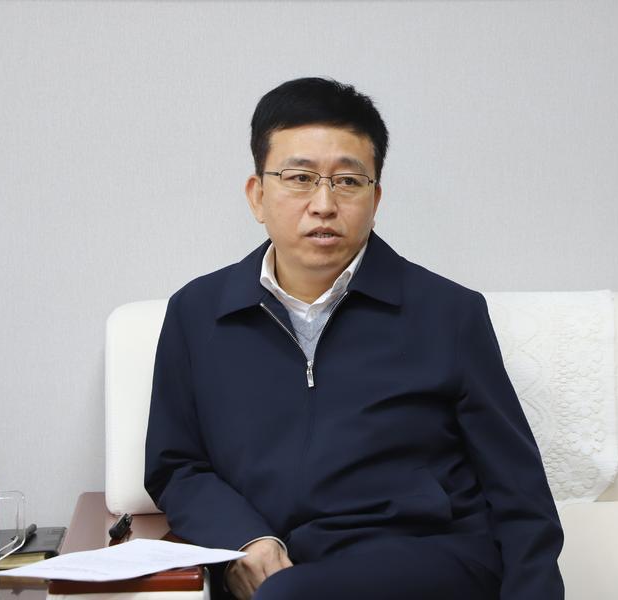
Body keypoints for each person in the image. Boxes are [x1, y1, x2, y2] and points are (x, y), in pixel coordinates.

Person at [144, 77, 565, 600]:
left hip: (430, 562)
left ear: (375, 197)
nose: (324, 204)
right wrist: (245, 539)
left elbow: (518, 492)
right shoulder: (197, 313)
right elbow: (176, 466)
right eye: (300, 178)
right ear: (257, 195)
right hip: (281, 571)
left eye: (347, 181)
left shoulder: (449, 313)